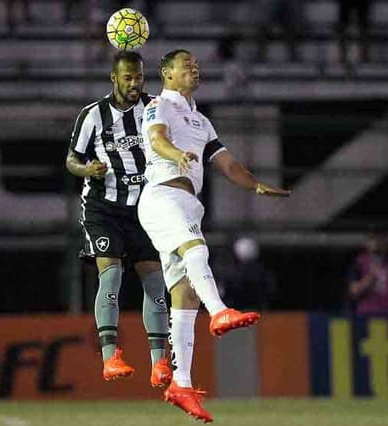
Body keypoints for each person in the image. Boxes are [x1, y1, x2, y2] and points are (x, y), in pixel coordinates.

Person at [138, 49, 290, 422]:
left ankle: (182, 385)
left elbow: (229, 164)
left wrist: (255, 186)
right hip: (163, 196)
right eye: (185, 64)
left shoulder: (202, 122)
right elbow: (156, 139)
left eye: (196, 64)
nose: (194, 68)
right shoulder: (160, 105)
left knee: (184, 294)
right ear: (167, 73)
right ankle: (220, 311)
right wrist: (176, 155)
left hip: (186, 203)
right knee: (196, 248)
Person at [66, 51, 172, 387]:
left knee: (156, 285)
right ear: (114, 78)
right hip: (104, 208)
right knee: (110, 278)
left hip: (145, 209)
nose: (134, 83)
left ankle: (159, 365)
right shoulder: (93, 115)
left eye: (139, 77)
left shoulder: (155, 108)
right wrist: (87, 169)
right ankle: (111, 356)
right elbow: (72, 159)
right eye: (127, 77)